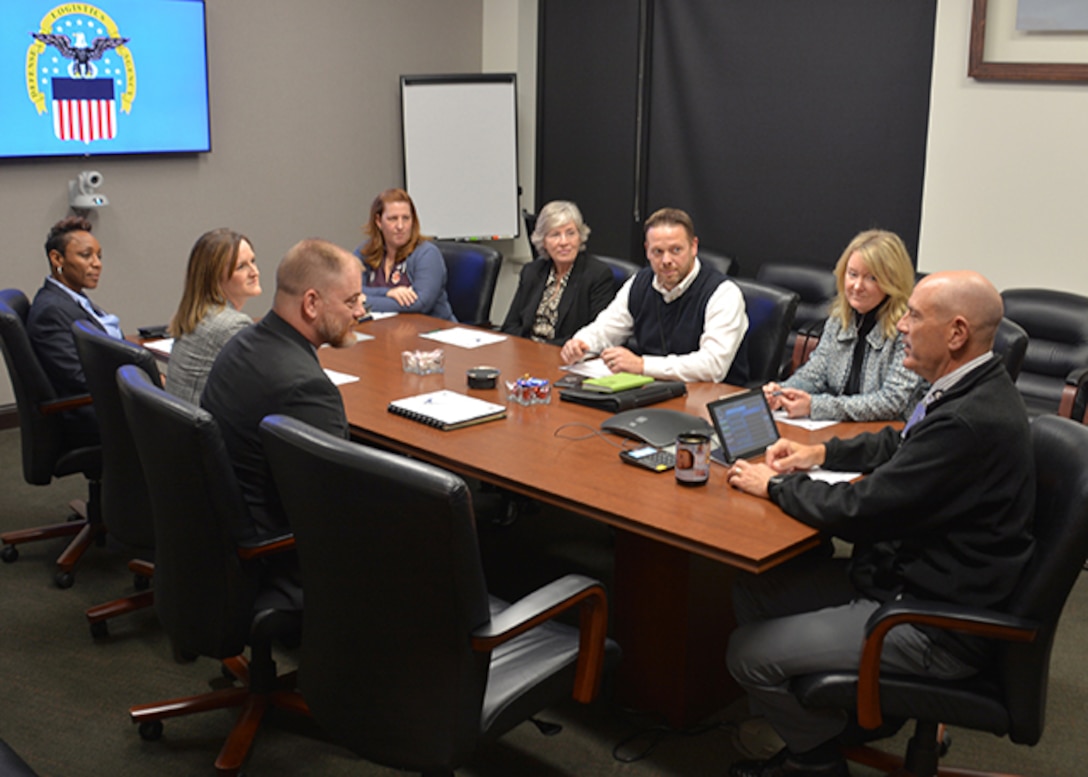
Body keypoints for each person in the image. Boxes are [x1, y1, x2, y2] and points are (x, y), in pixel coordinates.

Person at [724, 271, 1035, 777]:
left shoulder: (969, 422)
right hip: (909, 577)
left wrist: (775, 486)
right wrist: (819, 451)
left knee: (746, 654)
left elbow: (861, 511)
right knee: (753, 592)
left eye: (913, 315)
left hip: (930, 621)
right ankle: (845, 719)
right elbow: (902, 445)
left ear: (957, 334)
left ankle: (815, 758)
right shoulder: (968, 386)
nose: (902, 327)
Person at [201, 239, 365, 610]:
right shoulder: (308, 389)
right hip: (280, 558)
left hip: (224, 535)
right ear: (311, 303)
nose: (360, 311)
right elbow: (333, 509)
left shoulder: (243, 343)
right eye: (351, 301)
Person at [559, 207, 748, 383]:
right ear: (647, 250)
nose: (666, 260)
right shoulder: (640, 283)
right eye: (657, 252)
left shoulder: (723, 294)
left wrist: (642, 365)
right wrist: (581, 344)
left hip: (713, 399)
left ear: (693, 247)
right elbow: (606, 328)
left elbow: (712, 366)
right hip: (653, 389)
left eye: (676, 250)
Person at [763, 229, 922, 421]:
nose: (857, 286)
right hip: (844, 430)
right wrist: (783, 392)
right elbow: (815, 374)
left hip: (890, 438)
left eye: (871, 278)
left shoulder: (910, 330)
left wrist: (815, 406)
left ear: (893, 282)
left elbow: (892, 402)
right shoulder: (840, 319)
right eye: (853, 274)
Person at [27, 215, 123, 447]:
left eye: (98, 256)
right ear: (57, 258)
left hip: (103, 402)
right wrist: (141, 380)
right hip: (91, 417)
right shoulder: (51, 311)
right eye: (85, 255)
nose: (97, 264)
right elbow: (80, 378)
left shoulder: (70, 298)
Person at [165, 229, 261, 404]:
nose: (254, 272)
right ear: (215, 278)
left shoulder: (198, 315)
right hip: (206, 428)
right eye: (241, 267)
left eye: (253, 261)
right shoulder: (232, 326)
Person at [501, 200, 615, 344]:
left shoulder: (597, 275)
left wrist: (542, 350)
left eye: (570, 233)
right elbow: (510, 326)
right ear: (543, 241)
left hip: (565, 357)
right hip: (528, 354)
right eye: (555, 235)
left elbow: (596, 335)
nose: (564, 242)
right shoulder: (532, 271)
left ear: (580, 237)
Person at [355, 188, 454, 320]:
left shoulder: (427, 254)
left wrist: (364, 301)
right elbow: (349, 292)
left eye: (406, 218)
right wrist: (388, 293)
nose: (400, 226)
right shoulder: (365, 251)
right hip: (388, 331)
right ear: (379, 221)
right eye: (393, 219)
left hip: (433, 333)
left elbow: (420, 304)